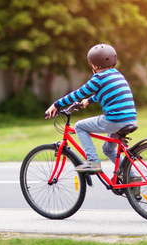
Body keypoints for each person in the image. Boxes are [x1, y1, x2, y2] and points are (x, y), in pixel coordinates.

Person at [44, 44, 138, 174]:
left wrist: (56, 105)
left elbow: (77, 94)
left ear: (94, 65)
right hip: (130, 119)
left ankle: (92, 161)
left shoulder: (99, 78)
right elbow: (104, 92)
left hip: (115, 119)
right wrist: (88, 101)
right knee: (108, 149)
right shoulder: (117, 75)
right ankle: (130, 176)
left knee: (79, 126)